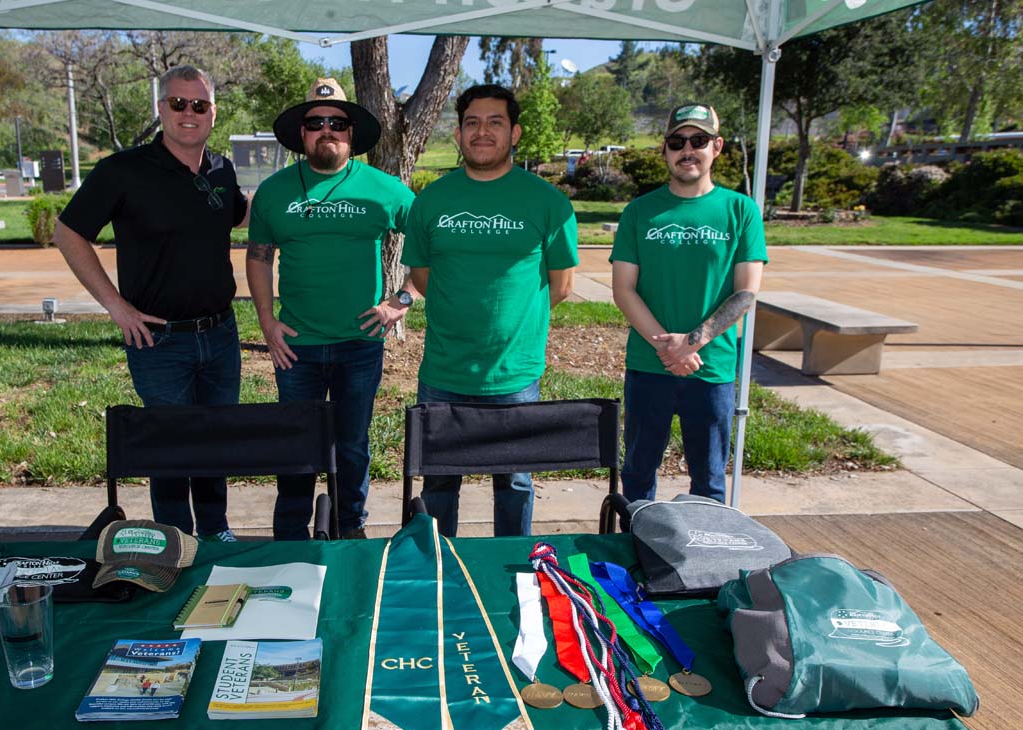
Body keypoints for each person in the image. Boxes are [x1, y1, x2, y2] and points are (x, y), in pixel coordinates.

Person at [54, 65, 248, 542]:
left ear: (213, 113)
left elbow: (242, 215)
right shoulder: (123, 171)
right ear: (161, 109)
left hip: (221, 334)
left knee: (213, 441)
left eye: (199, 105)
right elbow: (68, 232)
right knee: (172, 450)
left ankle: (216, 530)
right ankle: (177, 539)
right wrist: (116, 306)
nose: (189, 113)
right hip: (159, 341)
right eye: (178, 104)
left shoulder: (222, 170)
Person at [402, 84, 578, 538]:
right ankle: (442, 567)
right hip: (444, 371)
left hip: (515, 375)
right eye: (472, 123)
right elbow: (422, 278)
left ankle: (515, 568)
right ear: (459, 134)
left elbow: (560, 286)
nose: (483, 131)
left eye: (495, 122)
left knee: (515, 483)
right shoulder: (432, 201)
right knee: (439, 481)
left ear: (515, 132)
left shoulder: (549, 203)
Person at [246, 78, 416, 541]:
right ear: (301, 133)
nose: (327, 130)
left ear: (351, 134)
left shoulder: (386, 189)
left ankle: (349, 528)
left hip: (359, 345)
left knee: (352, 446)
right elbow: (259, 257)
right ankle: (289, 533)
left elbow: (430, 242)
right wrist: (266, 321)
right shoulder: (275, 191)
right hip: (295, 345)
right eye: (316, 122)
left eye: (337, 123)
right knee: (296, 445)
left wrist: (401, 300)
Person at [610, 103, 767, 504]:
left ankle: (703, 564)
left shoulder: (740, 210)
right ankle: (637, 554)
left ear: (716, 147)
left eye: (698, 141)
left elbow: (746, 292)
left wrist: (692, 342)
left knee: (710, 482)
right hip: (650, 366)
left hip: (712, 370)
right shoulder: (640, 211)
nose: (687, 150)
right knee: (638, 475)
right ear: (664, 149)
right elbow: (624, 289)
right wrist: (668, 347)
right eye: (677, 141)